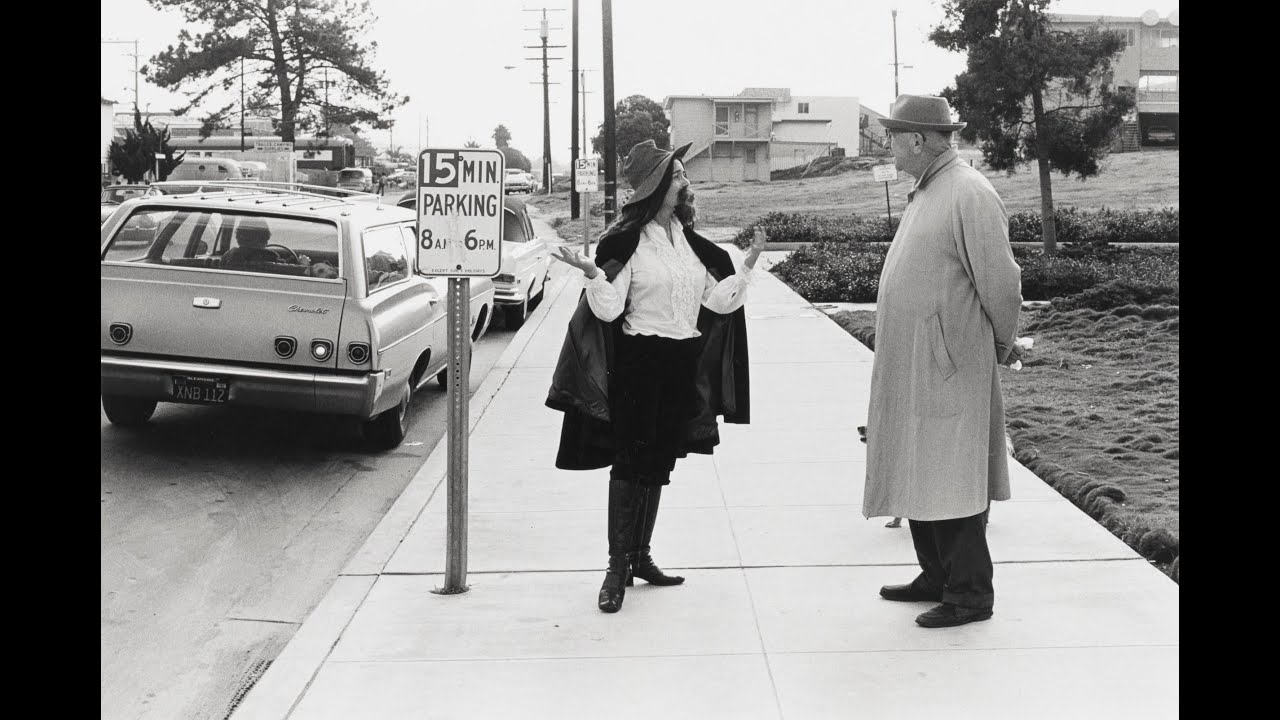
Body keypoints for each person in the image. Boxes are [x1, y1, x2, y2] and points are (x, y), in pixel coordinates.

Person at [546, 139, 767, 614]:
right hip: (638, 365)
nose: (687, 182)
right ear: (660, 186)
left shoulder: (691, 245)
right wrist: (591, 273)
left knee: (659, 462)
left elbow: (717, 303)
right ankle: (615, 568)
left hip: (680, 363)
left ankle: (641, 558)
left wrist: (745, 269)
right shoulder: (626, 243)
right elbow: (606, 310)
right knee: (630, 464)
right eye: (680, 175)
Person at [862, 95, 1026, 629]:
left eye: (892, 136)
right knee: (918, 467)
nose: (888, 145)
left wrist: (998, 347)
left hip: (950, 362)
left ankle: (971, 594)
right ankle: (936, 576)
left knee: (949, 475)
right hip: (920, 363)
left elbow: (1002, 286)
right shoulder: (932, 187)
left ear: (917, 139)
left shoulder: (968, 192)